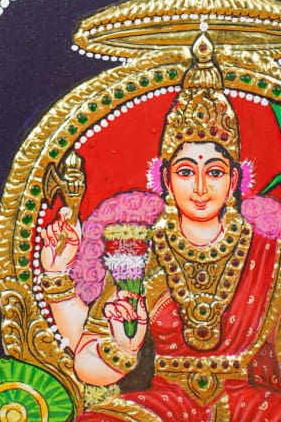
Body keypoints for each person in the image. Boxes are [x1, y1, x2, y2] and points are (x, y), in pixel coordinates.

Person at [38, 33, 281, 422]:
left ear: (234, 180)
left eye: (214, 172)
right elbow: (89, 366)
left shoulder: (269, 255)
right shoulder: (137, 252)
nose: (200, 188)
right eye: (185, 172)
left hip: (251, 407)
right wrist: (124, 347)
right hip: (166, 405)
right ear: (166, 179)